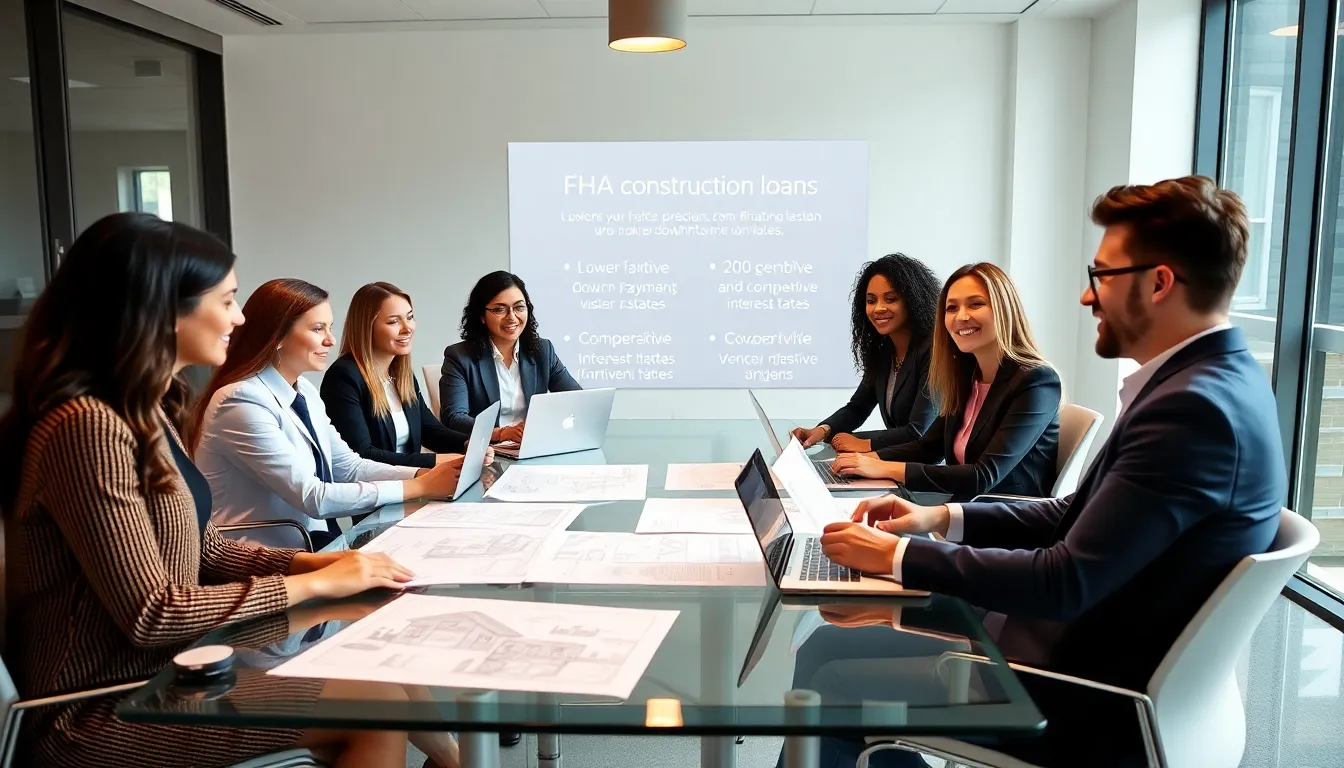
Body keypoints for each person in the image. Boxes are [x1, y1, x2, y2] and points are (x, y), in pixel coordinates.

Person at [816, 176, 1285, 764]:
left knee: (828, 679)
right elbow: (1072, 511)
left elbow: (1064, 583)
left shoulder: (1192, 411)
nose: (1088, 298)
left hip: (1075, 690)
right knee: (829, 653)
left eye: (1101, 277)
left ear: (1159, 283)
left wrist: (894, 556)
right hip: (1081, 653)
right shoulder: (1207, 385)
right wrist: (937, 515)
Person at [0, 212, 428, 768]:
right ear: (160, 309)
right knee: (373, 704)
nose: (242, 316)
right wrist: (315, 586)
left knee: (377, 687)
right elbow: (151, 612)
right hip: (99, 709)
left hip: (169, 673)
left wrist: (308, 566)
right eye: (226, 300)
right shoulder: (89, 426)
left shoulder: (146, 411)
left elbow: (202, 548)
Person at [191, 279, 463, 550]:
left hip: (313, 544)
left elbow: (349, 467)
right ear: (277, 336)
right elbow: (313, 497)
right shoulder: (241, 400)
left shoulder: (304, 390)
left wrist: (421, 474)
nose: (331, 340)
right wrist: (421, 486)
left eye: (329, 328)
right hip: (263, 556)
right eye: (318, 328)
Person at [830, 262, 1060, 500]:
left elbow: (983, 477)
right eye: (951, 308)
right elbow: (928, 448)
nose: (961, 316)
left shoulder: (1037, 381)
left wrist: (884, 468)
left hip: (1006, 520)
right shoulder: (966, 375)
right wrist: (864, 461)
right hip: (962, 508)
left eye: (976, 304)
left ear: (1004, 310)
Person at [790, 254, 941, 453]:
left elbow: (918, 431)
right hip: (896, 462)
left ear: (913, 301)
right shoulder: (884, 350)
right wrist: (822, 431)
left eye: (891, 299)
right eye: (871, 300)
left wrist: (864, 443)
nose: (878, 308)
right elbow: (858, 408)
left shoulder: (934, 352)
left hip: (927, 472)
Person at [322, 282, 473, 468]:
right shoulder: (343, 377)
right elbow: (362, 455)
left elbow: (429, 430)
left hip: (413, 482)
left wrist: (469, 445)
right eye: (394, 321)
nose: (407, 328)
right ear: (367, 327)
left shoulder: (401, 373)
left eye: (410, 318)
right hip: (377, 489)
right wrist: (437, 461)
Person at [440, 270, 580, 442]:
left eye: (519, 307)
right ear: (482, 316)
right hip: (487, 450)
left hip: (531, 445)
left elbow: (576, 399)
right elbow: (454, 418)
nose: (512, 317)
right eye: (500, 309)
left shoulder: (542, 351)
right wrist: (501, 433)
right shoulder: (460, 357)